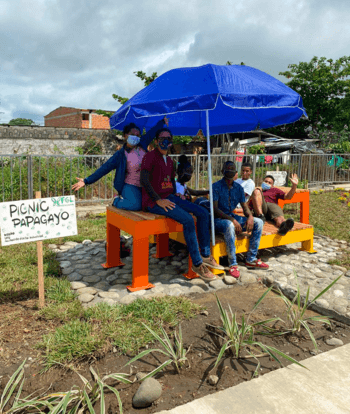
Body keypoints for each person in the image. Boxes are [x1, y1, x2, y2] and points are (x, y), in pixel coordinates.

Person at [140, 128, 224, 282]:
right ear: (156, 140)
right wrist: (157, 199)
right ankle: (197, 264)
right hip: (153, 201)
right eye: (162, 138)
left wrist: (175, 192)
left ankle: (205, 254)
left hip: (170, 196)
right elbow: (144, 180)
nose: (165, 141)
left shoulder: (171, 161)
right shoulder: (149, 157)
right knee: (188, 219)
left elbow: (171, 180)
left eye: (168, 138)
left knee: (203, 213)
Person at [72, 119, 167, 210]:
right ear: (125, 136)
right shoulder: (120, 155)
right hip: (130, 185)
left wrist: (162, 121)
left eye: (138, 135)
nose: (135, 137)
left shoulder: (142, 144)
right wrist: (86, 181)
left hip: (145, 184)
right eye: (132, 134)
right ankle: (116, 200)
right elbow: (104, 168)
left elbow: (152, 132)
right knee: (135, 205)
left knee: (149, 205)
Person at [212, 161, 268, 279]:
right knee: (229, 225)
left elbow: (245, 207)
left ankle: (251, 258)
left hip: (232, 218)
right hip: (218, 220)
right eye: (228, 169)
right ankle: (232, 263)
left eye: (232, 169)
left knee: (258, 222)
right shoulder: (215, 186)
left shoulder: (238, 188)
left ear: (235, 173)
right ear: (222, 171)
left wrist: (251, 217)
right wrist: (232, 219)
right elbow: (215, 209)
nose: (230, 172)